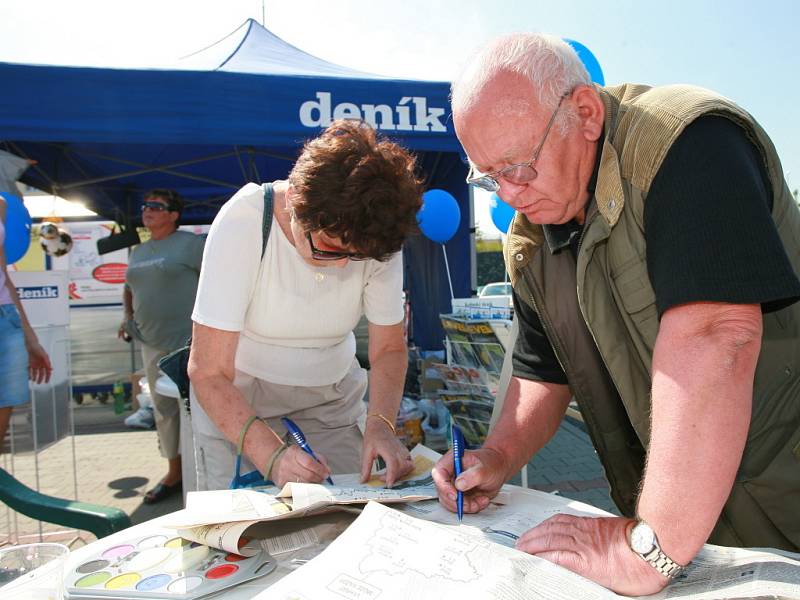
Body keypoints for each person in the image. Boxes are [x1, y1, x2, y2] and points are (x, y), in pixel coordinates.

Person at [431, 33, 800, 596]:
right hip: (683, 522)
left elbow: (716, 333)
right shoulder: (530, 241)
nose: (508, 194)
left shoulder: (683, 140)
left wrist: (649, 549)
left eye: (519, 167)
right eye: (489, 176)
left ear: (584, 113)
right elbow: (540, 374)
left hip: (782, 495)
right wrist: (497, 456)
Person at [188, 120, 422, 491]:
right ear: (295, 199)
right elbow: (208, 372)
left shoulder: (374, 234)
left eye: (358, 256)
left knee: (351, 518)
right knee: (245, 538)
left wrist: (381, 425)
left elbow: (390, 349)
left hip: (331, 401)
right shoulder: (245, 222)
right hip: (238, 403)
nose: (344, 265)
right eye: (329, 248)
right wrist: (272, 456)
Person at [118, 189, 205, 504]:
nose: (147, 210)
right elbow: (129, 288)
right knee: (164, 410)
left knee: (200, 408)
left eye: (157, 206)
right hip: (151, 343)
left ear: (174, 214)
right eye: (145, 205)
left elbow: (219, 280)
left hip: (191, 342)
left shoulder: (192, 245)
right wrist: (127, 317)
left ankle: (206, 470)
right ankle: (174, 472)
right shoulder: (138, 252)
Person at [0, 195, 53, 454]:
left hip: (4, 316)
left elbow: (3, 274)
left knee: (4, 404)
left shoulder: (1, 204)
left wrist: (29, 336)